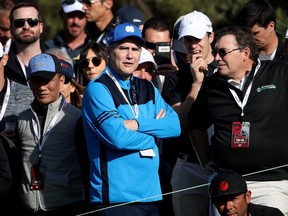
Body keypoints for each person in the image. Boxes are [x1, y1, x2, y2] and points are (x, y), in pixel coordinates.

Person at [82, 23, 181, 216]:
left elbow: (175, 126)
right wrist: (154, 137)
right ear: (109, 51)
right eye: (124, 48)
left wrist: (136, 124)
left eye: (135, 49)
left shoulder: (148, 87)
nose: (130, 55)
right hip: (117, 201)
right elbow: (117, 137)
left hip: (151, 196)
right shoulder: (98, 89)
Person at [188, 26, 288, 215]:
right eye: (216, 52)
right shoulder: (212, 85)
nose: (216, 58)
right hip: (226, 185)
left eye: (222, 52)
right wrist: (206, 162)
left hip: (271, 182)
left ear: (245, 53)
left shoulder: (280, 74)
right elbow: (195, 124)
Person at [16, 53, 89, 215]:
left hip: (67, 205)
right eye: (36, 80)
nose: (42, 87)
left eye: (47, 80)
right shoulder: (21, 119)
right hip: (29, 206)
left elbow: (87, 163)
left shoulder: (76, 118)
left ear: (61, 80)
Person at [169, 11, 218, 216]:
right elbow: (178, 122)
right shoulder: (176, 79)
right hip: (187, 164)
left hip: (221, 163)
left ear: (211, 37)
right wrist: (196, 84)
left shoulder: (226, 70)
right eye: (187, 39)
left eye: (197, 38)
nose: (192, 45)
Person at [209, 171, 284, 216]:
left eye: (233, 199)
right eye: (221, 201)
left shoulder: (271, 215)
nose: (228, 207)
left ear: (247, 197)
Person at [142, 16, 177, 103]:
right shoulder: (132, 70)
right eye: (150, 46)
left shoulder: (177, 73)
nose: (155, 52)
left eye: (162, 46)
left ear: (171, 43)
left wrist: (175, 75)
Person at [46, 0, 91, 65]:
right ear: (61, 15)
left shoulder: (95, 45)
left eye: (81, 15)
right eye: (71, 15)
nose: (76, 22)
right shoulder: (47, 47)